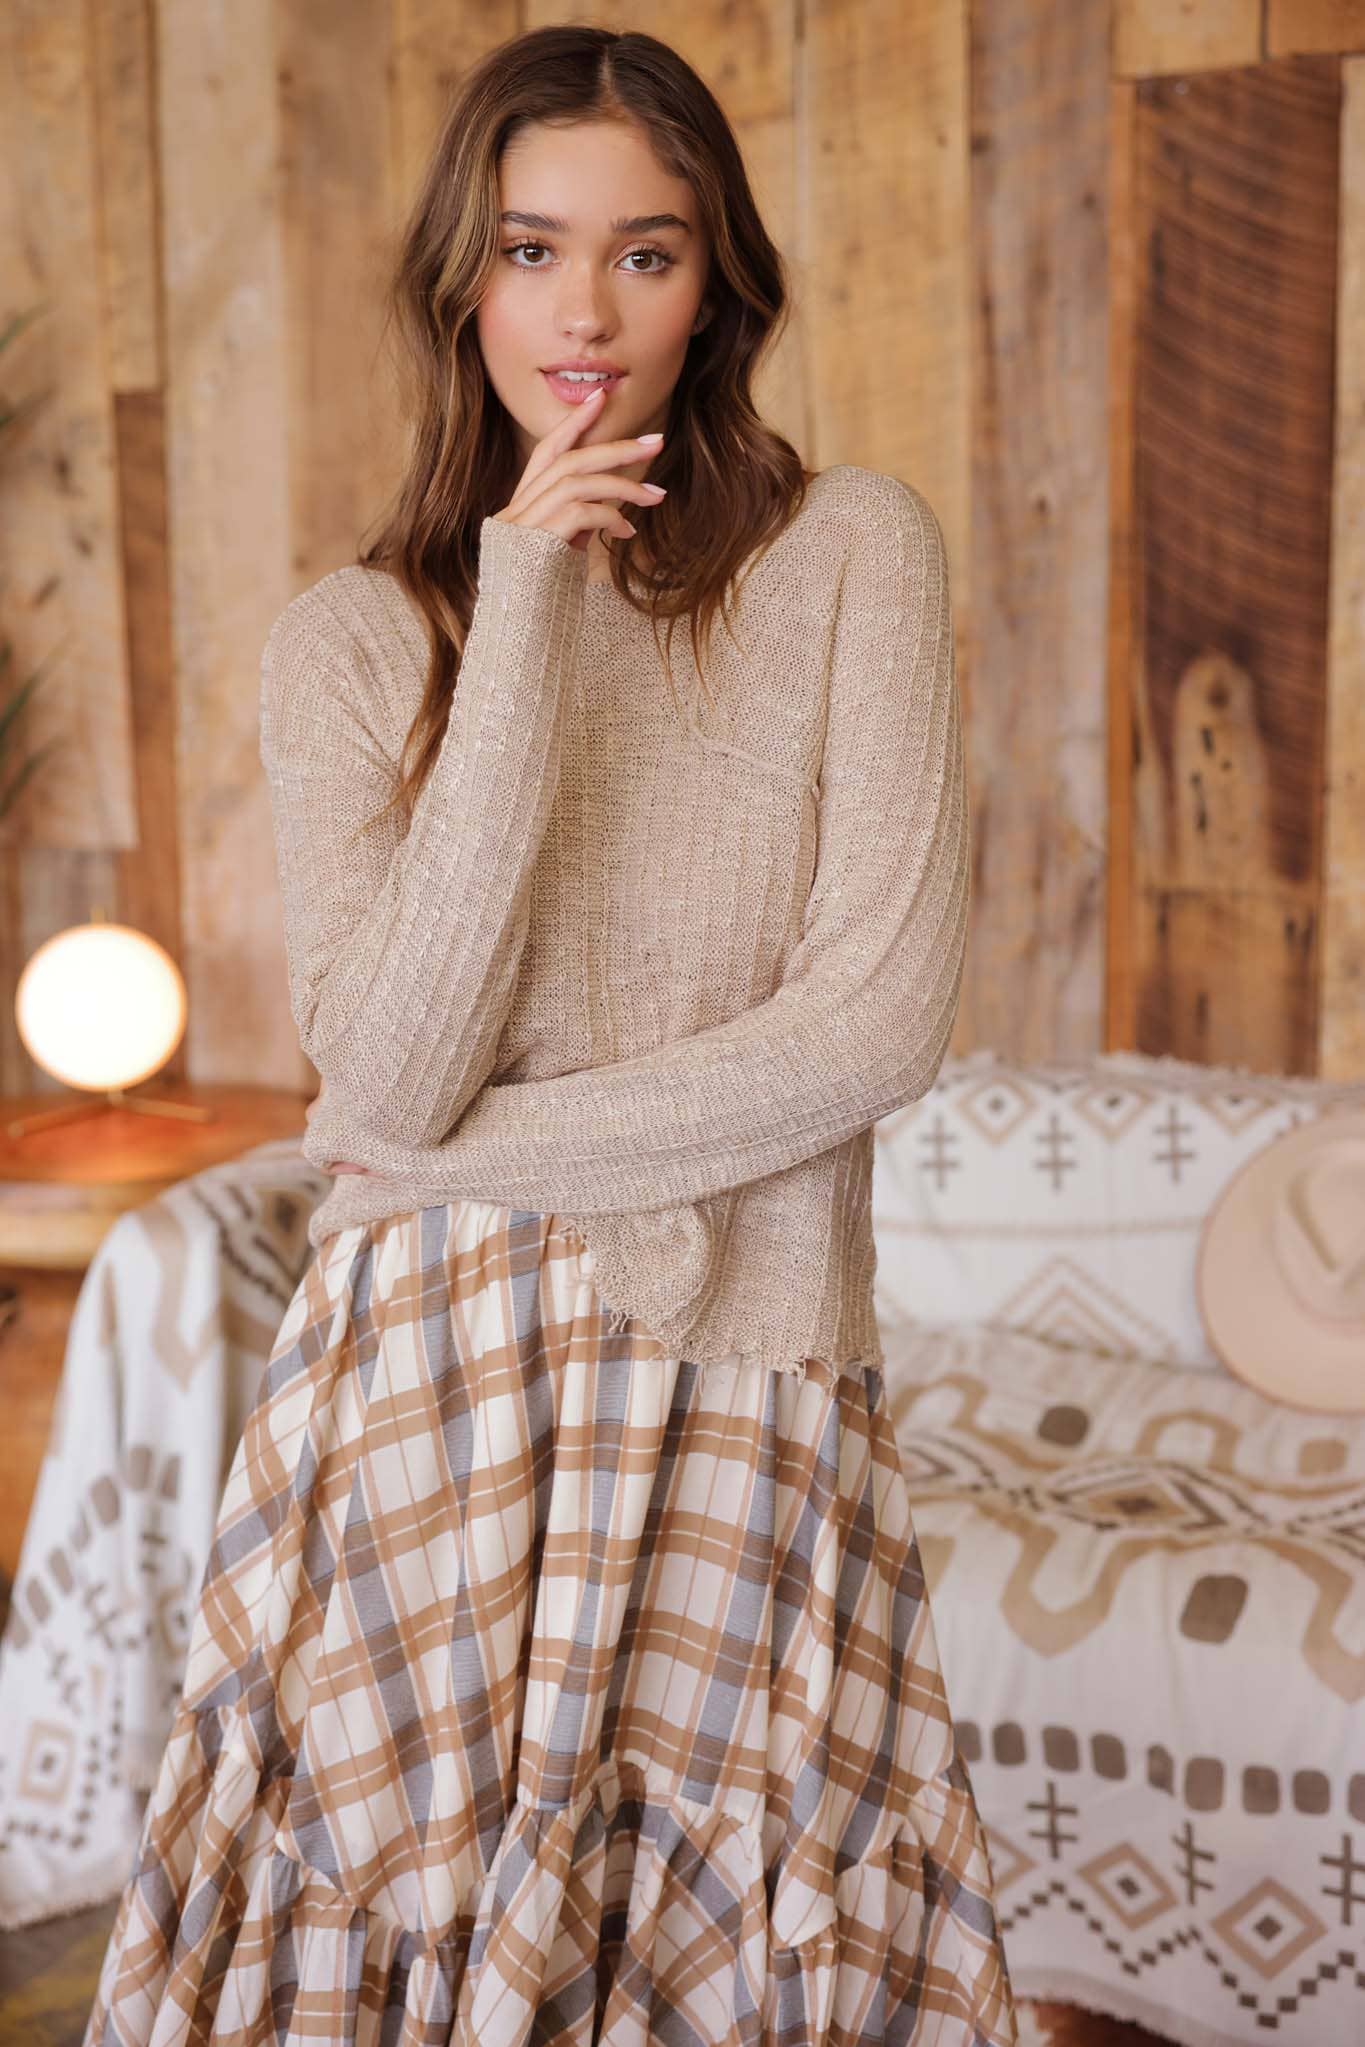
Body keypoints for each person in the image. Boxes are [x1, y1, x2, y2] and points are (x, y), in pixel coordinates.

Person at [84, 23, 1017, 2046]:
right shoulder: (351, 641)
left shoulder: (849, 552)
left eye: (645, 253)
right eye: (531, 250)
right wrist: (516, 598)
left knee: (726, 1957)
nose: (583, 310)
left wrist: (448, 1152)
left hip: (741, 1366)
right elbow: (396, 1062)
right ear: (463, 280)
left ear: (718, 283)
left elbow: (867, 1027)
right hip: (420, 1384)